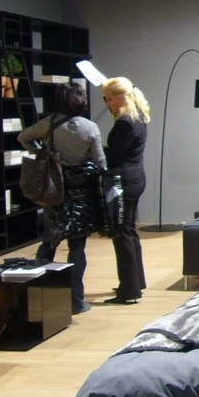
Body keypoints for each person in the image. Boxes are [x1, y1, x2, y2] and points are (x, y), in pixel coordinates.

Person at [18, 82, 105, 314]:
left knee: (48, 243)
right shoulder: (90, 127)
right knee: (77, 248)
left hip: (54, 192)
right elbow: (100, 163)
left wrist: (41, 153)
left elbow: (23, 137)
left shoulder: (49, 123)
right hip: (81, 194)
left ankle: (39, 298)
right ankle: (76, 301)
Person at [101, 76, 150, 304]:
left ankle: (129, 290)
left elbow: (114, 156)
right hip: (135, 179)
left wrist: (97, 150)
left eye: (109, 99)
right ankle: (136, 281)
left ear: (121, 97)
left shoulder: (125, 123)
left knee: (121, 234)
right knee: (130, 230)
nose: (107, 104)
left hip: (124, 182)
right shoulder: (139, 117)